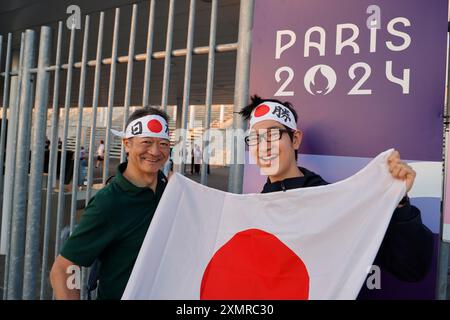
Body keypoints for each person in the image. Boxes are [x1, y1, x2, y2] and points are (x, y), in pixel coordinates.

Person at [239, 95, 433, 295]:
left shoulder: (335, 202)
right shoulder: (253, 210)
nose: (264, 146)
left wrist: (399, 203)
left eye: (272, 135)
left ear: (295, 139)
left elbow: (411, 268)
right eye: (255, 138)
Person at [50, 107, 172, 300]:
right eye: (146, 142)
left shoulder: (171, 190)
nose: (155, 151)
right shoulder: (108, 202)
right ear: (127, 144)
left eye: (163, 144)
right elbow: (64, 268)